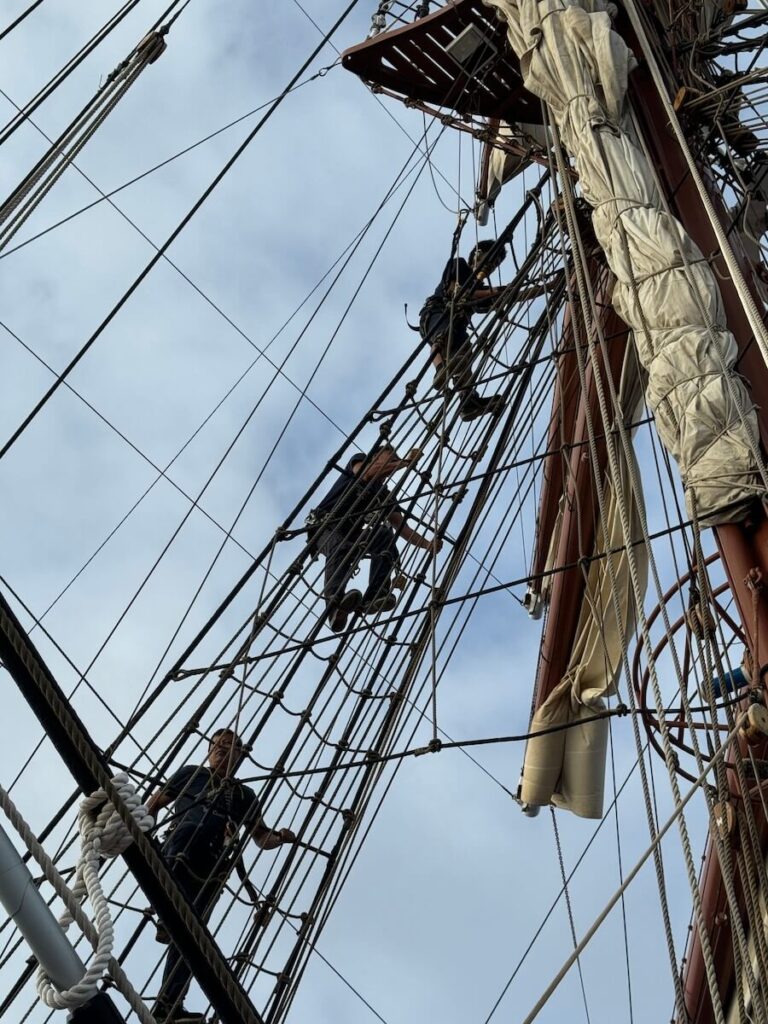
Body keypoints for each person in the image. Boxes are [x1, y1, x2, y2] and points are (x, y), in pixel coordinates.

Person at [147, 728, 296, 1024]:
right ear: (208, 750)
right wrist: (141, 832)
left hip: (212, 866)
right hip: (178, 847)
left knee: (191, 935)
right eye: (216, 745)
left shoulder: (244, 795)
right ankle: (166, 913)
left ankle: (168, 1005)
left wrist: (280, 837)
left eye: (229, 746)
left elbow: (260, 836)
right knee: (189, 832)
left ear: (241, 755)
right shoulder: (191, 774)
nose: (221, 750)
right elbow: (153, 806)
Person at [310, 444, 442, 633]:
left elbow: (402, 527)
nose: (393, 463)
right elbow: (366, 474)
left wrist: (427, 545)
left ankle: (375, 595)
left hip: (351, 534)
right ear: (375, 456)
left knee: (384, 535)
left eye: (395, 460)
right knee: (341, 547)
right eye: (390, 458)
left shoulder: (384, 496)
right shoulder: (359, 460)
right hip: (325, 527)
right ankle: (335, 605)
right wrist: (404, 463)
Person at [419, 238, 508, 420]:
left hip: (459, 325)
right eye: (491, 259)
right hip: (437, 313)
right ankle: (440, 370)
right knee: (443, 335)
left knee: (465, 352)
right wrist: (498, 291)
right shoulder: (459, 265)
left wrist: (546, 286)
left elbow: (511, 296)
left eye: (496, 264)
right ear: (477, 254)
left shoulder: (481, 288)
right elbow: (458, 292)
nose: (492, 266)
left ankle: (468, 401)